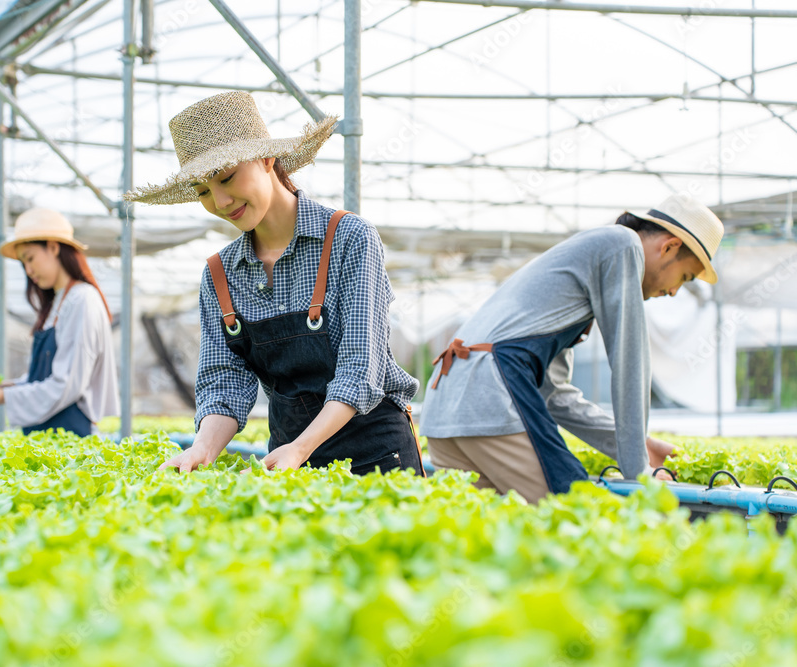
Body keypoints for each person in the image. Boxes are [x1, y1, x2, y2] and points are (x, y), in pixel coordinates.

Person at [127, 91, 423, 475]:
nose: (219, 201)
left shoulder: (349, 238)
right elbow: (224, 380)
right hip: (288, 461)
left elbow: (359, 370)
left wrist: (299, 450)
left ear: (267, 158)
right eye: (202, 191)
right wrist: (201, 448)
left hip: (376, 456)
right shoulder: (220, 274)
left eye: (226, 177)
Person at [419, 194, 725, 502]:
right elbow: (630, 364)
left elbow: (554, 395)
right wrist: (638, 468)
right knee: (575, 513)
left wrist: (637, 444)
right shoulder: (623, 245)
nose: (673, 292)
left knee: (488, 531)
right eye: (684, 277)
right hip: (488, 398)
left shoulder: (577, 272)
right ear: (669, 246)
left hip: (447, 405)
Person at [0, 208, 119, 437]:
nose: (28, 270)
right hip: (46, 436)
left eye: (30, 258)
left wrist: (0, 396)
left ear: (54, 248)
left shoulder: (81, 299)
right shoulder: (59, 302)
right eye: (23, 263)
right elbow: (40, 379)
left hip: (70, 439)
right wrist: (1, 389)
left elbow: (67, 384)